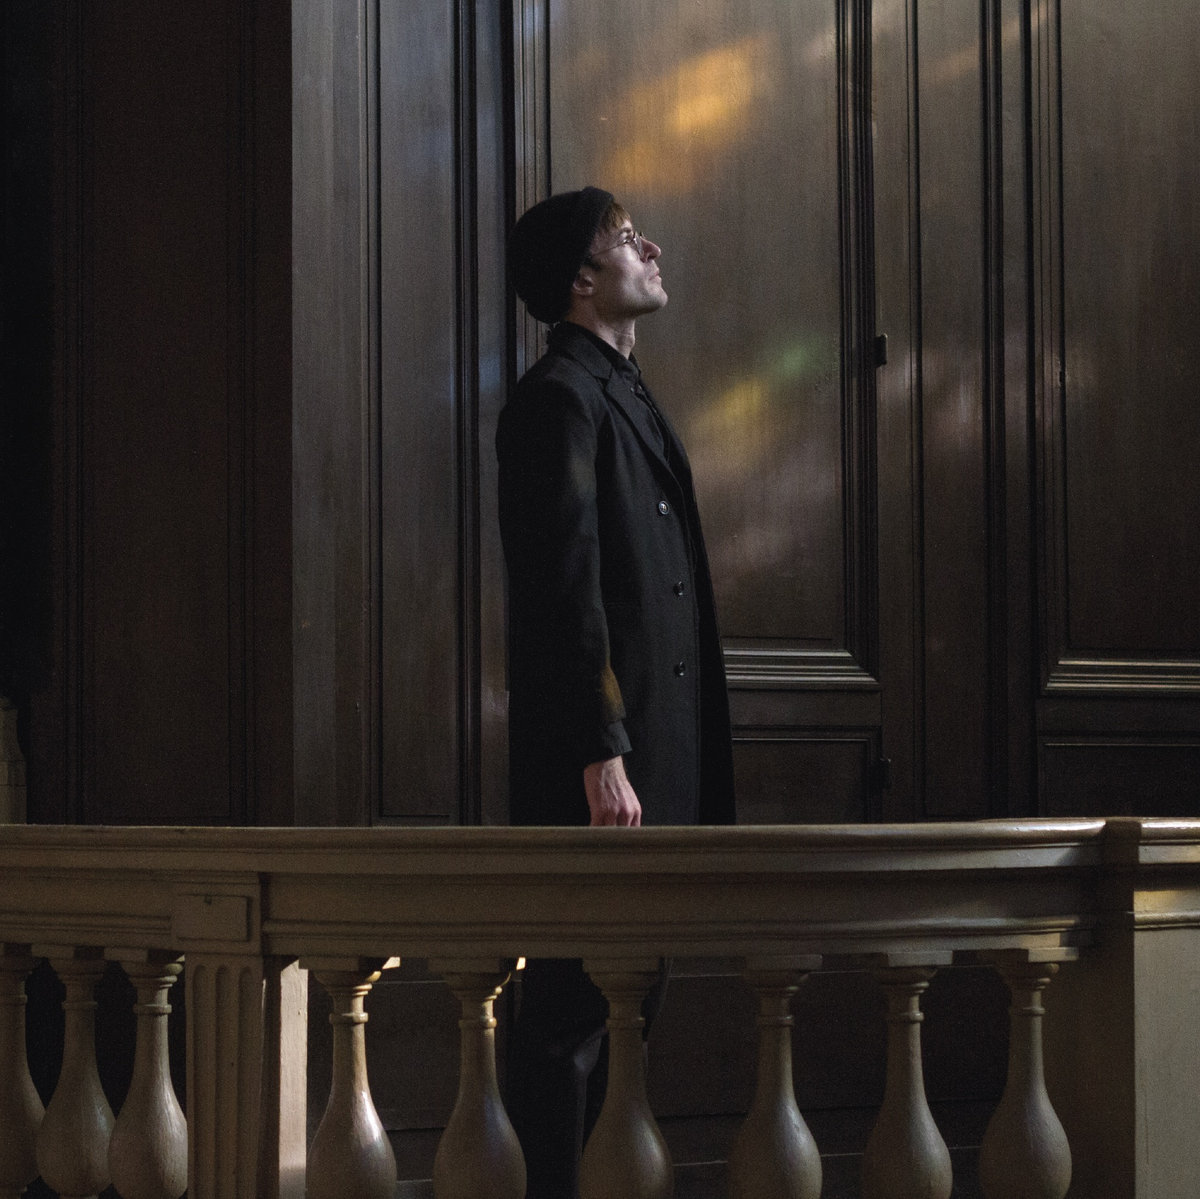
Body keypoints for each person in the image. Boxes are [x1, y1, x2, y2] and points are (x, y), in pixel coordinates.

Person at [496, 186, 735, 1197]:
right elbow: (564, 595)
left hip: (652, 762)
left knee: (624, 1011)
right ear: (583, 278)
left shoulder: (620, 391)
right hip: (603, 769)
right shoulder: (557, 396)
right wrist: (602, 753)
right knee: (570, 1017)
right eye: (628, 239)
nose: (653, 246)